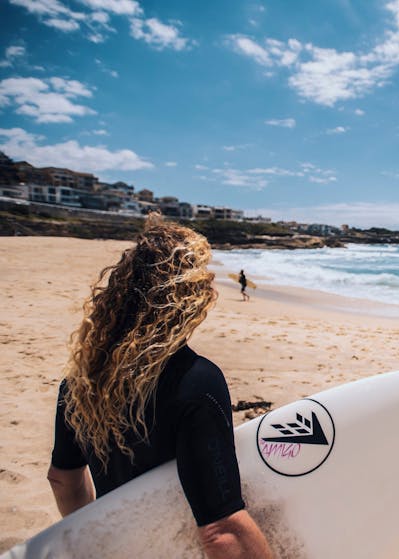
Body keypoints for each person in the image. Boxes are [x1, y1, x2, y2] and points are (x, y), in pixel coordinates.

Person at [46, 214, 273, 559]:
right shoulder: (196, 382)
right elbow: (221, 531)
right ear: (189, 298)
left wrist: (96, 535)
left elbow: (62, 479)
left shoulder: (80, 383)